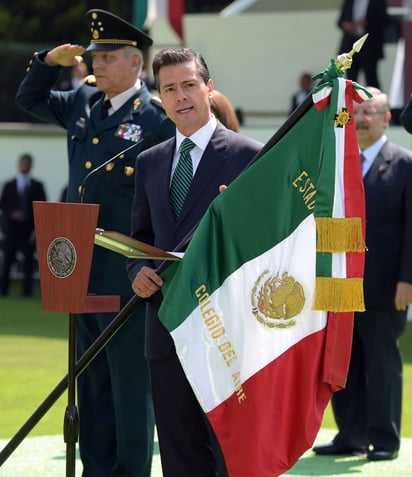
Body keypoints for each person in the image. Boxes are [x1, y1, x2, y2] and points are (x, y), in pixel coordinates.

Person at [15, 9, 175, 477]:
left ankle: (130, 471)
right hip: (77, 266)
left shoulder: (155, 120)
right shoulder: (83, 104)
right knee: (92, 382)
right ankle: (97, 469)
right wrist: (47, 59)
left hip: (126, 271)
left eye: (107, 57)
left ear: (135, 65)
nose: (95, 65)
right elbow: (29, 97)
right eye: (93, 57)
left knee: (129, 383)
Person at [127, 47, 263, 477]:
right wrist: (137, 271)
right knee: (178, 451)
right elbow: (141, 238)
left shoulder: (250, 156)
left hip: (227, 333)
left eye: (189, 85)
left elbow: (266, 244)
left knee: (231, 452)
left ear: (209, 88)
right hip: (166, 328)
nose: (180, 96)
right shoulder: (148, 162)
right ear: (160, 98)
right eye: (169, 89)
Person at [313, 87, 412, 461]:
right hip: (339, 283)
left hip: (385, 285)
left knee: (383, 364)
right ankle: (350, 436)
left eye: (372, 112)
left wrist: (409, 278)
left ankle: (385, 439)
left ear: (387, 118)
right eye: (359, 112)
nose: (364, 118)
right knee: (343, 363)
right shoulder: (337, 163)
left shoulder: (404, 163)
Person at [0, 153, 47, 297]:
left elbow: (42, 207)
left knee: (28, 262)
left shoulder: (37, 186)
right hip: (12, 229)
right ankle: (4, 290)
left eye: (28, 163)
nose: (25, 165)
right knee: (8, 260)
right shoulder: (9, 185)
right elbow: (3, 205)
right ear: (19, 164)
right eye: (23, 163)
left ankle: (27, 291)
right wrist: (13, 213)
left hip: (28, 229)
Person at [337, 0, 389, 89]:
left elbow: (385, 20)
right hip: (351, 44)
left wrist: (368, 22)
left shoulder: (378, 2)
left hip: (370, 46)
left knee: (371, 78)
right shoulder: (349, 1)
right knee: (351, 79)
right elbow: (340, 21)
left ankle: (375, 101)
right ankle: (351, 101)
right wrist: (346, 25)